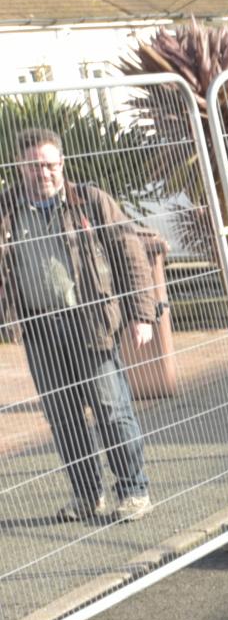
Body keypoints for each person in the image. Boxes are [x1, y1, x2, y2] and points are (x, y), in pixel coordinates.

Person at [1, 129, 154, 524]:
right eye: (35, 166)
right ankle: (88, 497)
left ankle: (134, 490)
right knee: (64, 416)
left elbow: (130, 253)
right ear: (20, 168)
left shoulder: (89, 200)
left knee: (112, 409)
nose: (44, 173)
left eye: (50, 165)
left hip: (90, 323)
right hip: (38, 329)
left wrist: (141, 314)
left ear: (62, 164)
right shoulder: (6, 208)